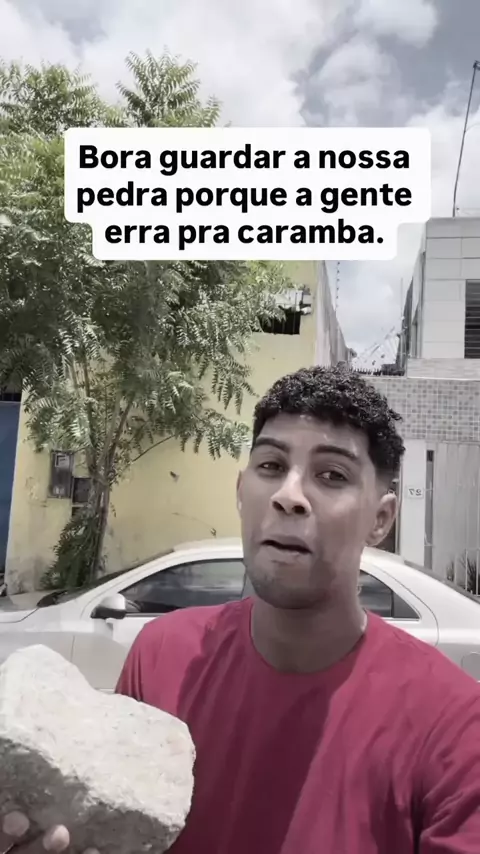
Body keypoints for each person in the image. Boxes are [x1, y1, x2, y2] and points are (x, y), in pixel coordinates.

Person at [2, 365, 480, 854]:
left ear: (381, 518)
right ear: (240, 492)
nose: (288, 496)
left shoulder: (457, 729)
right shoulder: (161, 657)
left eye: (332, 475)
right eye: (270, 466)